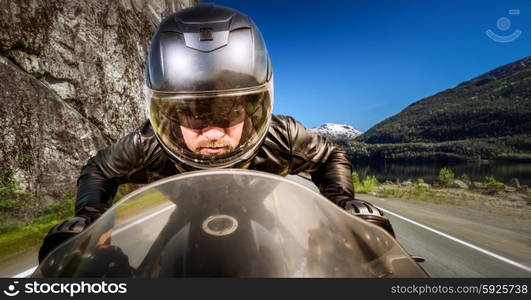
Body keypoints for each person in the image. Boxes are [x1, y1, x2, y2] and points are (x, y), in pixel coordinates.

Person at [39, 3, 394, 263]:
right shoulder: (149, 143)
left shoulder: (282, 133)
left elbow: (331, 155)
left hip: (260, 208)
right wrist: (89, 220)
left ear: (255, 108)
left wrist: (342, 208)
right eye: (191, 115)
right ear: (166, 113)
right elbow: (100, 169)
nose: (211, 131)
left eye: (228, 114)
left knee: (316, 257)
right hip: (185, 209)